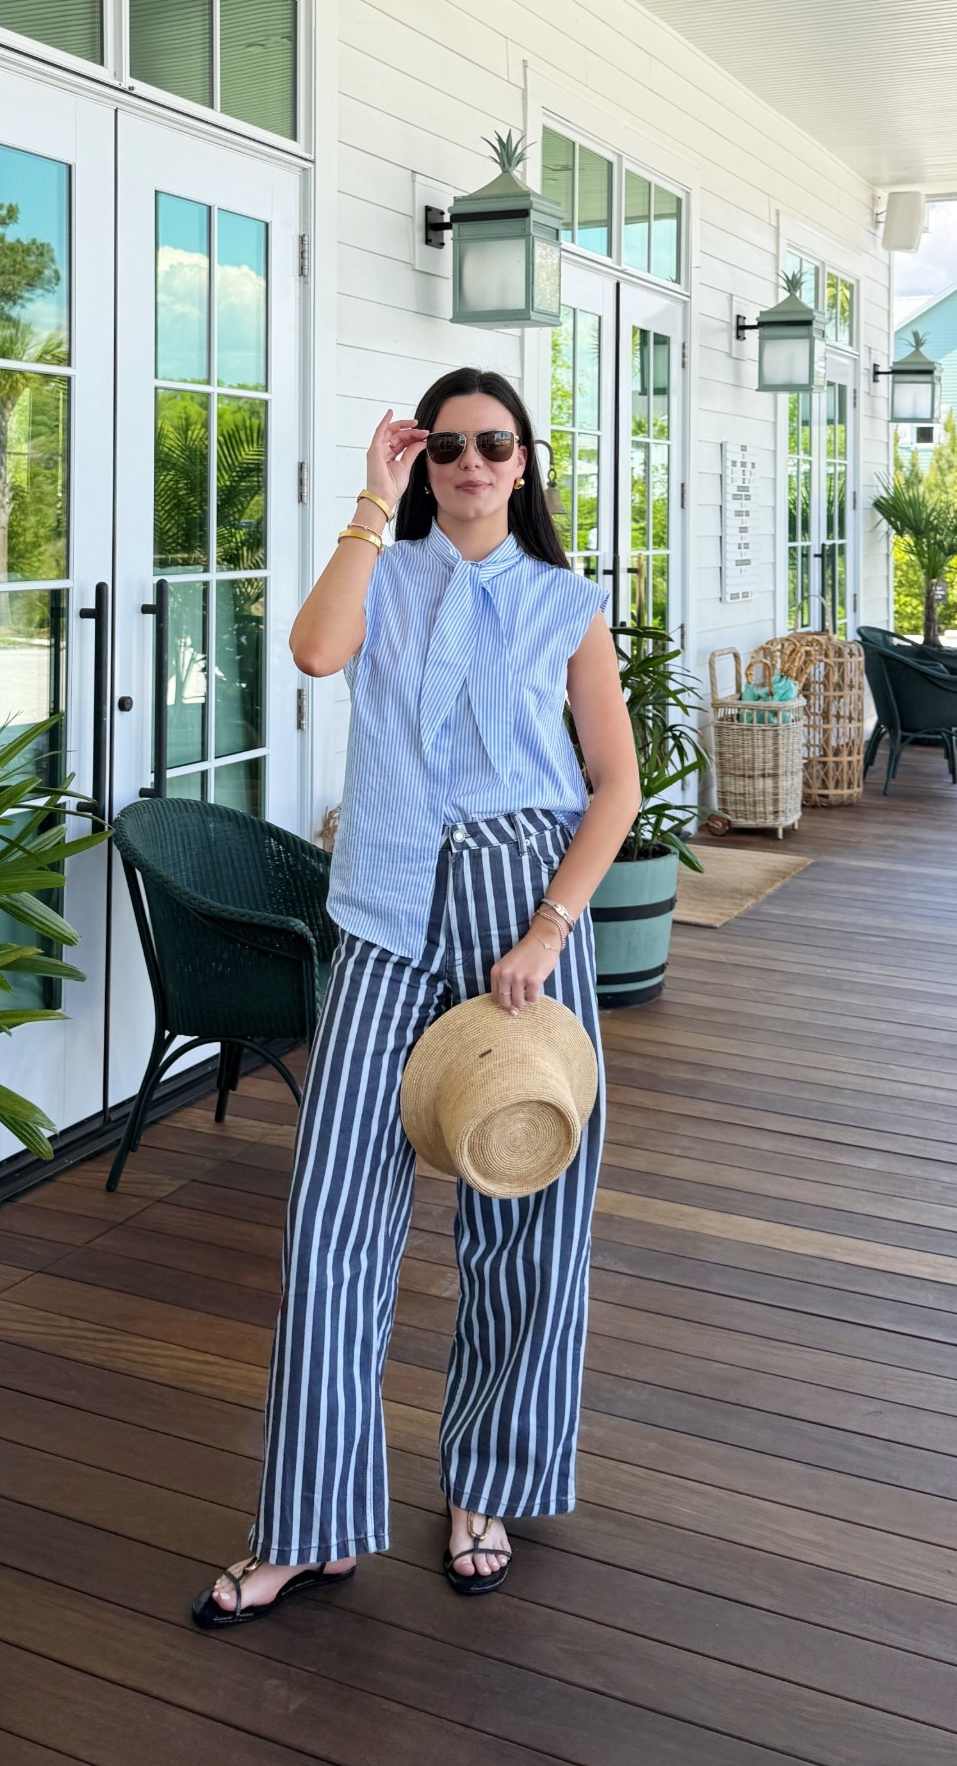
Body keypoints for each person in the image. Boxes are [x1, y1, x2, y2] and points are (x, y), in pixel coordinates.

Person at [193, 366, 640, 1627]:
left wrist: (551, 927)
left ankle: (488, 1484)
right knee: (334, 1214)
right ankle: (310, 1520)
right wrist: (367, 497)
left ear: (524, 459)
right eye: (448, 445)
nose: (473, 463)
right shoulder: (379, 572)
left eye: (495, 444)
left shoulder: (565, 600)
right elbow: (315, 650)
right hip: (385, 906)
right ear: (421, 457)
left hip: (523, 912)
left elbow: (614, 785)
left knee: (527, 1213)